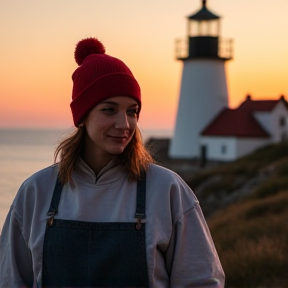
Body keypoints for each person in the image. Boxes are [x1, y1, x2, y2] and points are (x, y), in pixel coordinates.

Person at [0, 37, 225, 288]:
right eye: (109, 109)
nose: (125, 124)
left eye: (132, 111)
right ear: (82, 116)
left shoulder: (167, 190)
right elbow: (9, 280)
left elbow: (201, 281)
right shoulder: (36, 192)